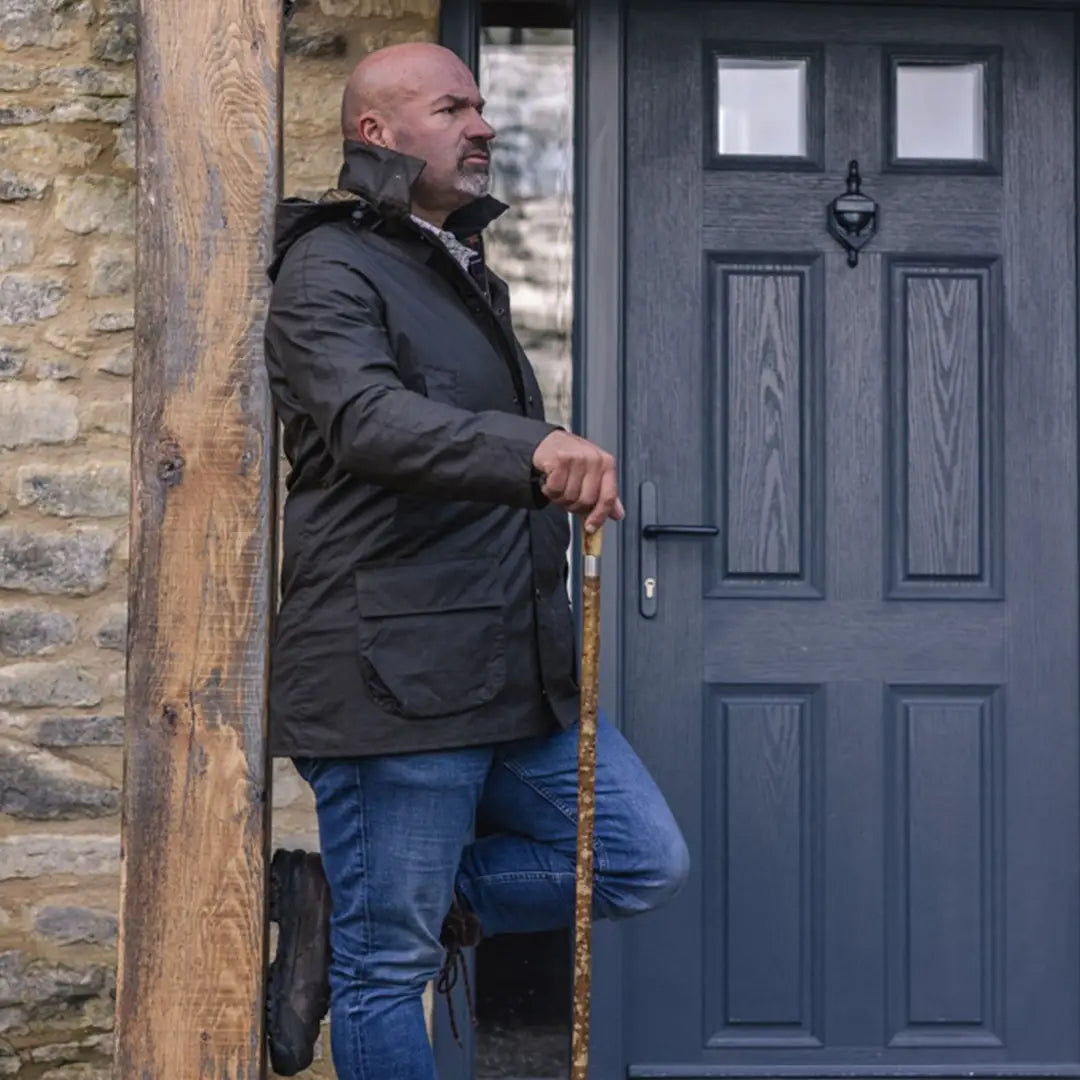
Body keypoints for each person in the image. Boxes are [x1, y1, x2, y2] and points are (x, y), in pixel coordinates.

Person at [261, 40, 690, 1080]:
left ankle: (344, 899)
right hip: (394, 677)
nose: (484, 125)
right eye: (454, 107)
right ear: (378, 132)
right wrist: (534, 449)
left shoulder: (447, 265)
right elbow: (365, 422)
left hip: (508, 670)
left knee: (636, 860)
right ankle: (360, 918)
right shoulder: (328, 266)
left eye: (482, 106)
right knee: (385, 967)